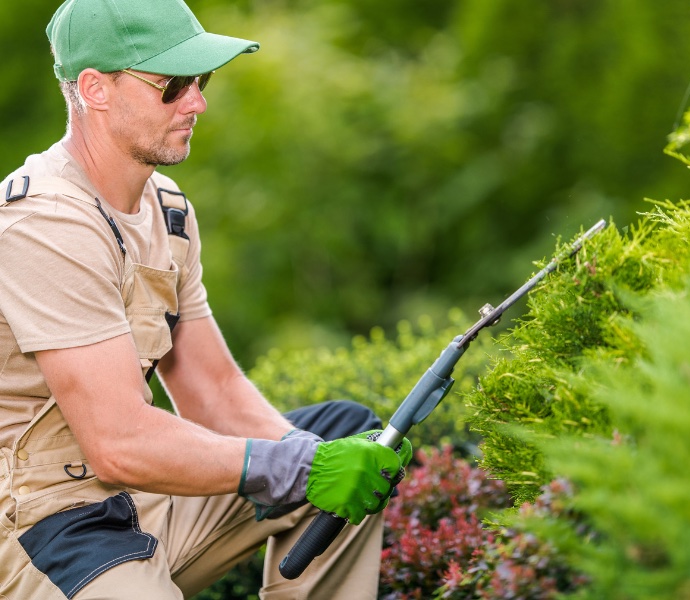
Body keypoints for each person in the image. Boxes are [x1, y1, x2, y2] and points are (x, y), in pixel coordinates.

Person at [0, 0, 412, 598]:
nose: (197, 103)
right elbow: (117, 442)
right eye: (172, 85)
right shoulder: (41, 224)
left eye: (201, 80)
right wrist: (298, 469)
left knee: (348, 440)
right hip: (39, 520)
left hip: (135, 498)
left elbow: (212, 389)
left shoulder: (167, 210)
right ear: (95, 88)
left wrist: (312, 464)